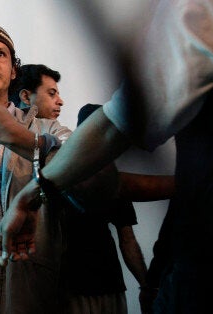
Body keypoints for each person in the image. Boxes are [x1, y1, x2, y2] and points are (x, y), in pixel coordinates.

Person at [0, 0, 213, 313]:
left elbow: (109, 181)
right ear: (26, 95)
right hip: (60, 280)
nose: (60, 99)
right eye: (51, 93)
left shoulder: (69, 136)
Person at [0, 24, 115, 313]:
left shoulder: (48, 129)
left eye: (0, 54)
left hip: (27, 292)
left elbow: (93, 182)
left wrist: (20, 138)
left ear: (14, 70)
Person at [65, 104, 148, 314]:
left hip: (106, 285)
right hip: (73, 288)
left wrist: (147, 286)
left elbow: (127, 239)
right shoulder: (62, 173)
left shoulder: (112, 179)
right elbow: (127, 239)